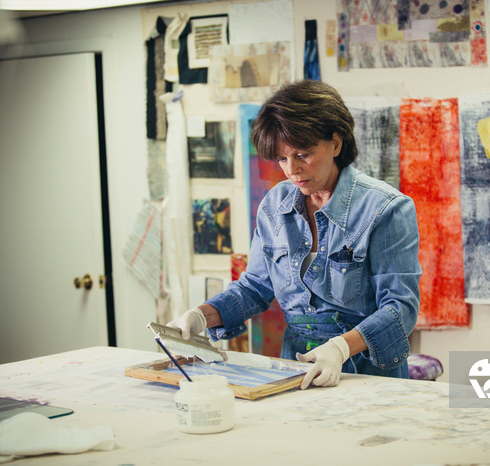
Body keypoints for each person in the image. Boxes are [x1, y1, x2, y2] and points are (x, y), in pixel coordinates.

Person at [169, 80, 421, 389]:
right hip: (296, 366)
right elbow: (254, 289)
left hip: (369, 371)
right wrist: (201, 316)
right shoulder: (275, 206)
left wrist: (340, 348)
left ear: (336, 144)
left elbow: (401, 309)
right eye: (282, 158)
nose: (292, 170)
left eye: (303, 154)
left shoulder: (386, 209)